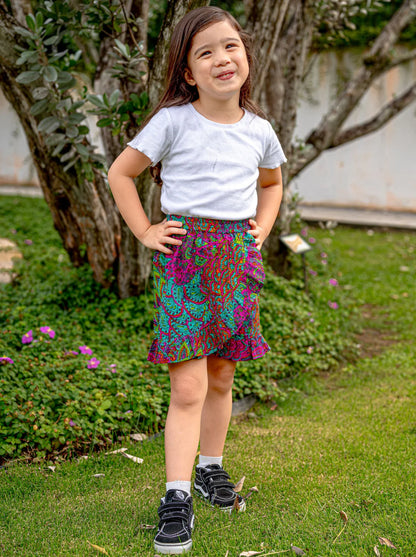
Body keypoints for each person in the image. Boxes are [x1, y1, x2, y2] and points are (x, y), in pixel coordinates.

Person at [108, 6, 286, 554]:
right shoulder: (173, 121)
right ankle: (177, 495)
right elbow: (120, 173)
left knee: (223, 375)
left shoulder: (259, 130)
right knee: (187, 386)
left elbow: (272, 184)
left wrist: (261, 230)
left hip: (237, 259)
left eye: (230, 46)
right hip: (187, 259)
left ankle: (211, 468)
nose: (221, 59)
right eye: (205, 52)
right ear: (188, 72)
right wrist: (145, 230)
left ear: (246, 56)